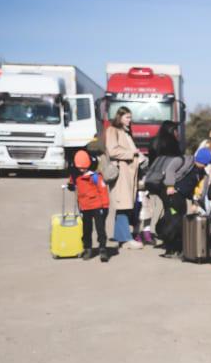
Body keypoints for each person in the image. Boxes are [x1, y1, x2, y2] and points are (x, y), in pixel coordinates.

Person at [105, 107, 143, 250]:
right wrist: (131, 152)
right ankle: (126, 239)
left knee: (125, 205)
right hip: (121, 173)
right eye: (127, 117)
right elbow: (112, 150)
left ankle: (122, 236)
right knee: (123, 205)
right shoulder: (112, 130)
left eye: (130, 117)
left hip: (128, 173)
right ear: (119, 117)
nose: (129, 120)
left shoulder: (124, 132)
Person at [143, 120, 184, 246]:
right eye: (176, 130)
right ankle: (168, 234)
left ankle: (155, 231)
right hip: (167, 181)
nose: (177, 133)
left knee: (159, 207)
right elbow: (176, 164)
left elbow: (151, 162)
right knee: (171, 209)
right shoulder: (172, 144)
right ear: (171, 130)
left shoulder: (153, 141)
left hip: (154, 179)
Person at [68, 150, 111, 262]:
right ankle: (87, 248)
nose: (82, 170)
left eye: (84, 167)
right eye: (80, 168)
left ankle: (102, 248)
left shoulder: (96, 176)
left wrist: (105, 206)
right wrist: (70, 185)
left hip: (98, 206)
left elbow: (103, 191)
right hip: (84, 207)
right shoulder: (76, 176)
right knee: (86, 229)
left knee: (100, 228)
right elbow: (72, 183)